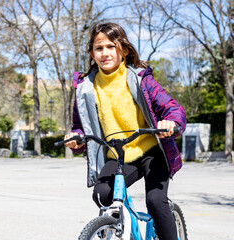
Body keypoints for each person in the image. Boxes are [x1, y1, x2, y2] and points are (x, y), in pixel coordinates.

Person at [64, 22, 186, 240]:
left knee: (156, 201)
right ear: (92, 54)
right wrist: (76, 138)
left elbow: (171, 108)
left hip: (150, 151)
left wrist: (170, 123)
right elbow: (80, 125)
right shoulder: (85, 88)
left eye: (111, 46)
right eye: (99, 48)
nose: (105, 53)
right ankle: (123, 229)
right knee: (103, 196)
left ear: (124, 50)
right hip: (118, 155)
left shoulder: (141, 79)